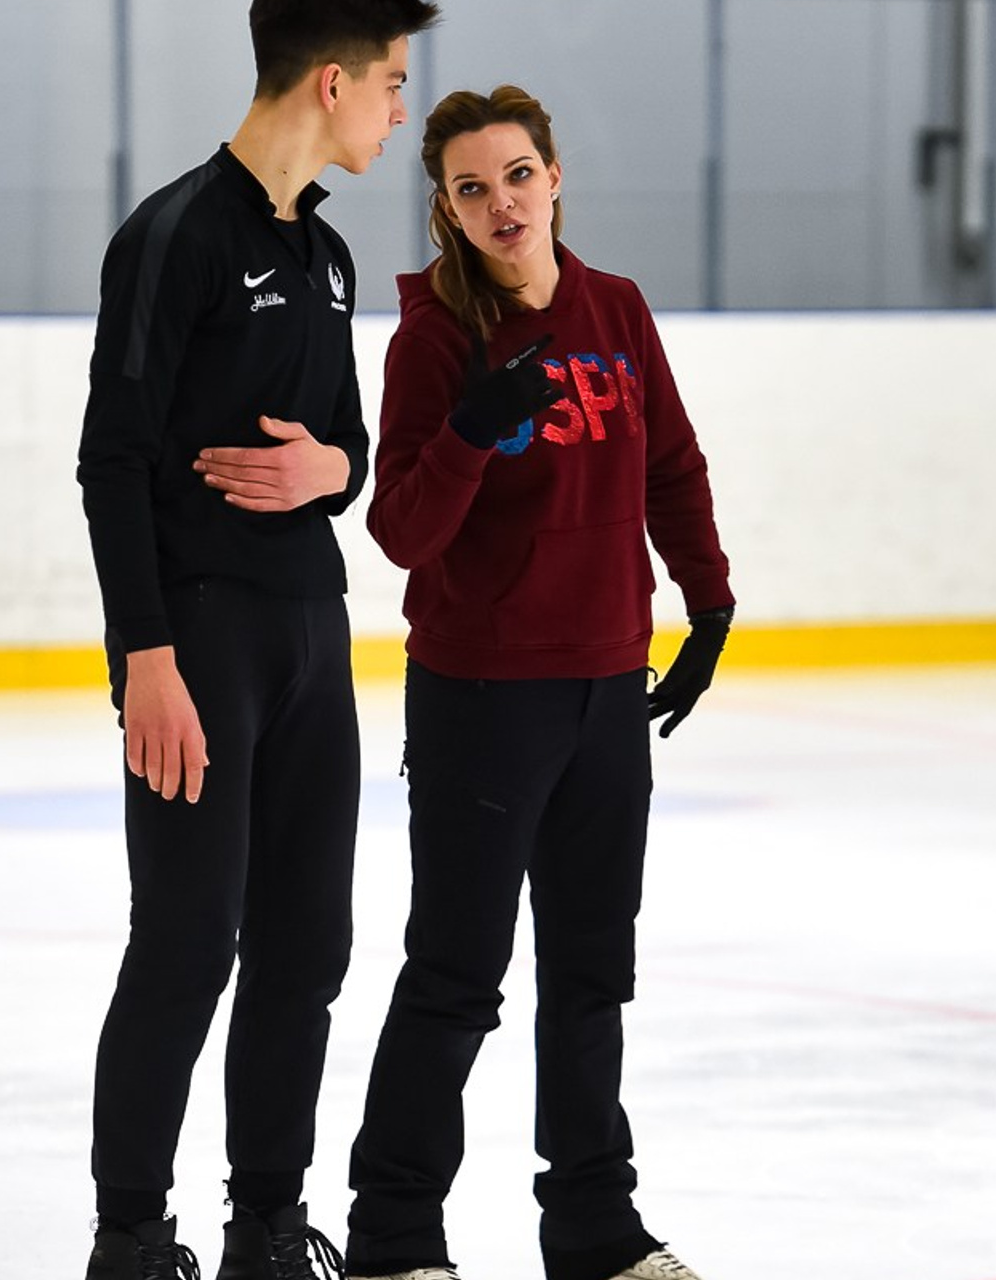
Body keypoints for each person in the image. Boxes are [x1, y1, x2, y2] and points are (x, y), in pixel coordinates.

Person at [342, 86, 735, 1280]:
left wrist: (705, 598)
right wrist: (467, 431)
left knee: (590, 972)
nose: (499, 201)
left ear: (553, 176)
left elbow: (668, 459)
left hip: (609, 684)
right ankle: (393, 1237)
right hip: (481, 698)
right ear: (445, 211)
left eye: (516, 174)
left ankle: (592, 1227)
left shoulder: (613, 308)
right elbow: (401, 530)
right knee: (458, 973)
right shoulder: (433, 339)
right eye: (470, 186)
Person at [75, 3, 440, 1278]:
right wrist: (147, 662)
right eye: (392, 82)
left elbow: (345, 449)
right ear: (329, 80)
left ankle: (267, 1231)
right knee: (185, 939)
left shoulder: (329, 260)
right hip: (201, 642)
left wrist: (329, 468)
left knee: (308, 945)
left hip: (309, 639)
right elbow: (109, 463)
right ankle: (128, 1238)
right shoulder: (171, 237)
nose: (400, 107)